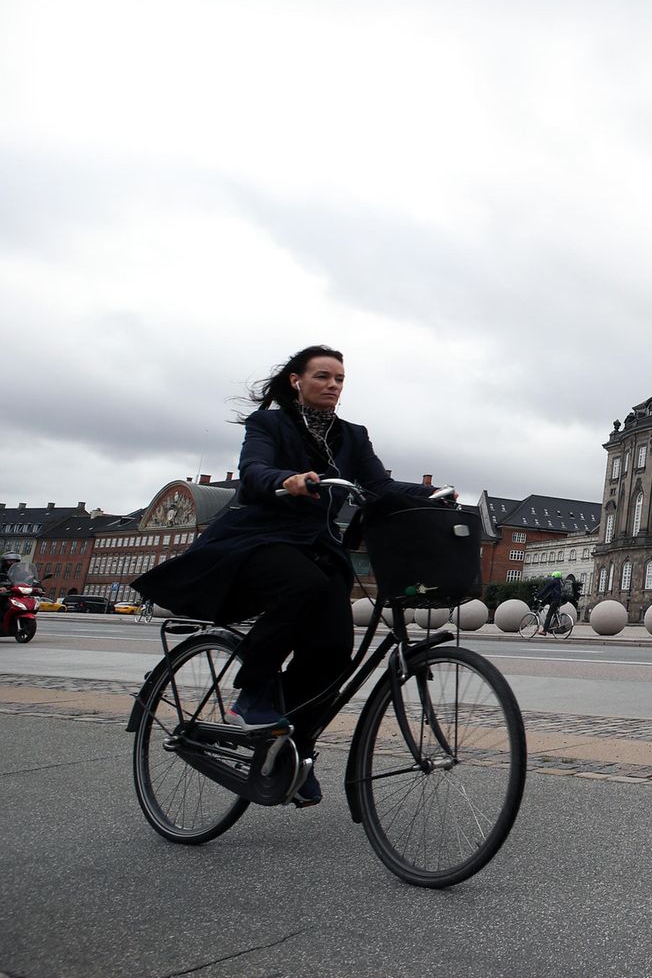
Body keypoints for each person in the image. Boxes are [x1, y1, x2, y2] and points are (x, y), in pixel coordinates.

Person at [133, 345, 439, 808]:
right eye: (323, 376)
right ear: (297, 380)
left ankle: (288, 749)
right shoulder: (269, 425)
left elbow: (379, 486)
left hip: (317, 548)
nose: (333, 385)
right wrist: (287, 479)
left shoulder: (353, 436)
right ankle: (252, 694)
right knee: (304, 587)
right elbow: (254, 472)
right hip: (259, 540)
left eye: (340, 378)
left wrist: (432, 494)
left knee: (334, 651)